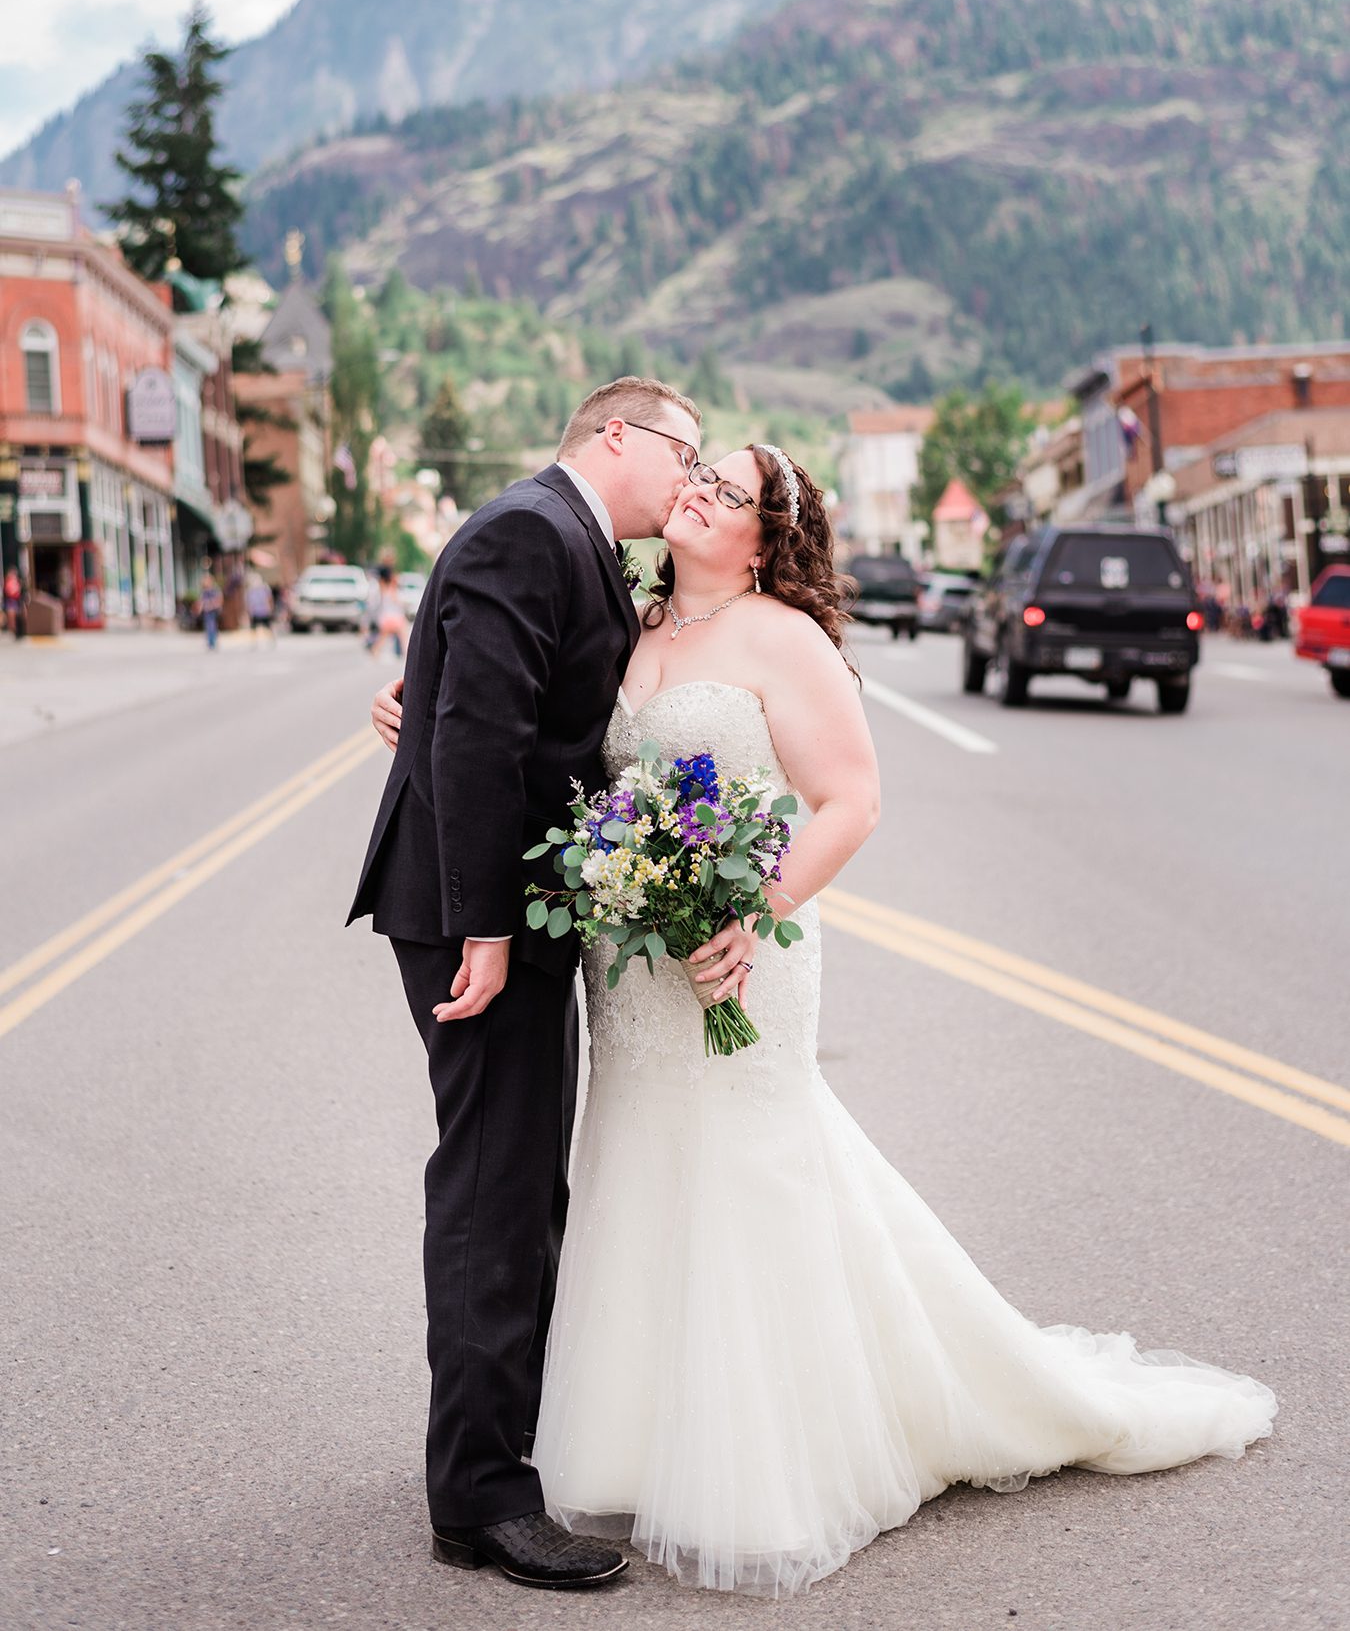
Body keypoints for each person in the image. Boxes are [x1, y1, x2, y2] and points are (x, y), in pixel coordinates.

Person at [371, 440, 1278, 1598]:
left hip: (742, 947)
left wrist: (757, 909)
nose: (696, 494)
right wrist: (422, 698)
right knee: (645, 1172)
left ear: (765, 538)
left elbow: (853, 797)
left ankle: (775, 1448)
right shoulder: (629, 625)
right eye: (694, 477)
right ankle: (652, 1433)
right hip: (639, 966)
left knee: (751, 1173)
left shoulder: (783, 638)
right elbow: (530, 724)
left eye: (726, 494)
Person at [349, 376, 711, 1592]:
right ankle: (480, 1501)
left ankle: (494, 1440)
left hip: (503, 911)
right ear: (619, 435)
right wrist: (489, 932)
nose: (691, 479)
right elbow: (482, 737)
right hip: (474, 921)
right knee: (495, 1189)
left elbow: (492, 703)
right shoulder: (531, 527)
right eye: (684, 452)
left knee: (518, 1183)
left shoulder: (577, 545)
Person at [244, 570, 276, 645]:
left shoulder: (264, 588)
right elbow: (248, 603)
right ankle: (254, 642)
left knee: (268, 626)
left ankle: (272, 639)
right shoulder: (249, 591)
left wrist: (270, 608)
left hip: (264, 611)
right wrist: (249, 612)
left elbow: (269, 599)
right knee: (254, 628)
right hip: (255, 612)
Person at [198, 569, 224, 650]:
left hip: (213, 611)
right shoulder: (204, 592)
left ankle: (213, 641)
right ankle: (210, 642)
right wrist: (200, 608)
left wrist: (212, 605)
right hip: (206, 611)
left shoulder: (215, 590)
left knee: (212, 625)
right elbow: (201, 601)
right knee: (208, 626)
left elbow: (219, 599)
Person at [3, 566, 27, 641]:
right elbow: (7, 592)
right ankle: (14, 631)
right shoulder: (7, 582)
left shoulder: (18, 582)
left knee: (22, 615)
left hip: (18, 601)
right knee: (11, 616)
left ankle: (21, 631)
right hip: (10, 601)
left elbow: (22, 592)